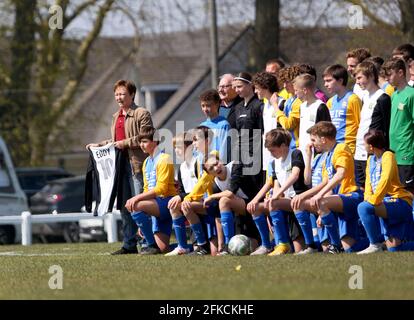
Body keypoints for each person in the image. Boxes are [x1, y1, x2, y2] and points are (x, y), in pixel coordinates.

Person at [86, 79, 153, 255]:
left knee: (140, 204)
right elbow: (115, 143)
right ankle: (129, 244)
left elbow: (146, 136)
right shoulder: (116, 117)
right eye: (116, 94)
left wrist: (123, 143)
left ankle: (148, 243)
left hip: (136, 166)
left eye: (122, 93)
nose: (119, 97)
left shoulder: (141, 113)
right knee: (124, 207)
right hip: (119, 167)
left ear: (132, 94)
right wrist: (100, 145)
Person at [291, 121, 367, 254]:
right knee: (299, 203)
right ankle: (312, 246)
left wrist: (320, 197)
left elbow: (340, 174)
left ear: (323, 139)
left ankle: (340, 245)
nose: (311, 144)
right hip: (336, 199)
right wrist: (303, 195)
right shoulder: (328, 155)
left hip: (351, 195)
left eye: (313, 140)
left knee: (350, 249)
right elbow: (326, 182)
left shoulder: (341, 148)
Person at [247, 128, 310, 255]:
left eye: (272, 150)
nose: (271, 154)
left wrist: (276, 196)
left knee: (274, 203)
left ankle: (285, 244)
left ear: (283, 146)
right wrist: (255, 200)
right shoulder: (275, 162)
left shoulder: (295, 153)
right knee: (255, 208)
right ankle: (267, 245)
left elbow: (295, 175)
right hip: (286, 201)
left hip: (299, 198)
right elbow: (272, 183)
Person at [357, 129, 414, 253]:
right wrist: (368, 198)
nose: (363, 146)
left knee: (363, 208)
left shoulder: (388, 156)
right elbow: (368, 184)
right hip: (385, 203)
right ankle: (380, 243)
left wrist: (374, 200)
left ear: (371, 147)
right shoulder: (370, 160)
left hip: (400, 201)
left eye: (364, 144)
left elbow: (386, 179)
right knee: (394, 249)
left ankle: (375, 244)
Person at [125, 126, 176, 254]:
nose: (141, 145)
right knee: (164, 249)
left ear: (155, 142)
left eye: (145, 141)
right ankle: (189, 247)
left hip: (167, 202)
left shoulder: (165, 159)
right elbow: (147, 188)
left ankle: (150, 244)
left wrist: (136, 198)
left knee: (135, 205)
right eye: (140, 142)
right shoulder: (147, 162)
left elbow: (162, 188)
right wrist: (143, 222)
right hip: (156, 206)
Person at [200, 153, 261, 254]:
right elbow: (218, 217)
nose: (216, 168)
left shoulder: (235, 166)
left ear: (221, 161)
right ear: (209, 173)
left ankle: (228, 244)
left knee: (224, 200)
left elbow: (231, 192)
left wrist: (211, 196)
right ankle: (226, 246)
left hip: (255, 205)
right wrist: (220, 244)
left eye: (216, 163)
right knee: (247, 248)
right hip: (240, 217)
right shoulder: (215, 185)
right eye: (211, 168)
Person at [181, 127, 220, 255]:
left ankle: (207, 245)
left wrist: (188, 198)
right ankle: (201, 245)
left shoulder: (214, 155)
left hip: (218, 202)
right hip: (208, 202)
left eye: (196, 140)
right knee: (185, 206)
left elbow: (204, 182)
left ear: (207, 141)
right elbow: (200, 185)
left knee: (216, 252)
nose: (193, 144)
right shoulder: (199, 160)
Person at [353, 61, 391, 187]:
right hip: (359, 150)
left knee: (372, 188)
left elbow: (386, 127)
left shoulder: (383, 98)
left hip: (372, 152)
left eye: (360, 78)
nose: (357, 82)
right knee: (360, 188)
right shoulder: (365, 96)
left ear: (371, 76)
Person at [382, 58, 414, 194]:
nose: (387, 78)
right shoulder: (394, 94)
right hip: (394, 152)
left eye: (390, 74)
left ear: (400, 72)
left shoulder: (411, 94)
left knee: (409, 192)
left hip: (407, 153)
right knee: (397, 192)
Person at [165, 132, 197, 256]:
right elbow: (182, 191)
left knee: (208, 250)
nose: (176, 151)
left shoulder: (197, 163)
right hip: (189, 203)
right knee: (174, 205)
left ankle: (199, 244)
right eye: (175, 148)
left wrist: (181, 197)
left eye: (178, 147)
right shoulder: (182, 167)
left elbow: (201, 189)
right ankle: (182, 246)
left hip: (202, 202)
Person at [323, 64, 362, 154]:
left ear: (340, 81)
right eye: (325, 81)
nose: (325, 84)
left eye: (329, 81)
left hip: (349, 149)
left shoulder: (353, 99)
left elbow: (360, 125)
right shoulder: (330, 102)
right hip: (333, 149)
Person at [252, 71, 284, 174]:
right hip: (268, 153)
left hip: (279, 153)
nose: (255, 91)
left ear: (265, 86)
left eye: (257, 88)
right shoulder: (265, 105)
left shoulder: (281, 103)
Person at [294, 73, 331, 159]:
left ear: (305, 90)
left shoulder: (320, 107)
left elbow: (326, 133)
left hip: (316, 155)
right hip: (303, 153)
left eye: (296, 90)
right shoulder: (302, 106)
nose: (295, 93)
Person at [275, 65, 303, 150]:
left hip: (298, 147)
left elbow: (288, 125)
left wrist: (275, 107)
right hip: (289, 147)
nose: (284, 86)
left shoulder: (300, 101)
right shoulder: (288, 101)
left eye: (287, 82)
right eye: (283, 82)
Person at [199, 89, 230, 163]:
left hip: (216, 167)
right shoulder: (201, 126)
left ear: (217, 104)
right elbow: (197, 150)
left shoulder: (224, 125)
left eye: (208, 105)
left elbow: (223, 150)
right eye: (203, 106)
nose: (205, 109)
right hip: (203, 168)